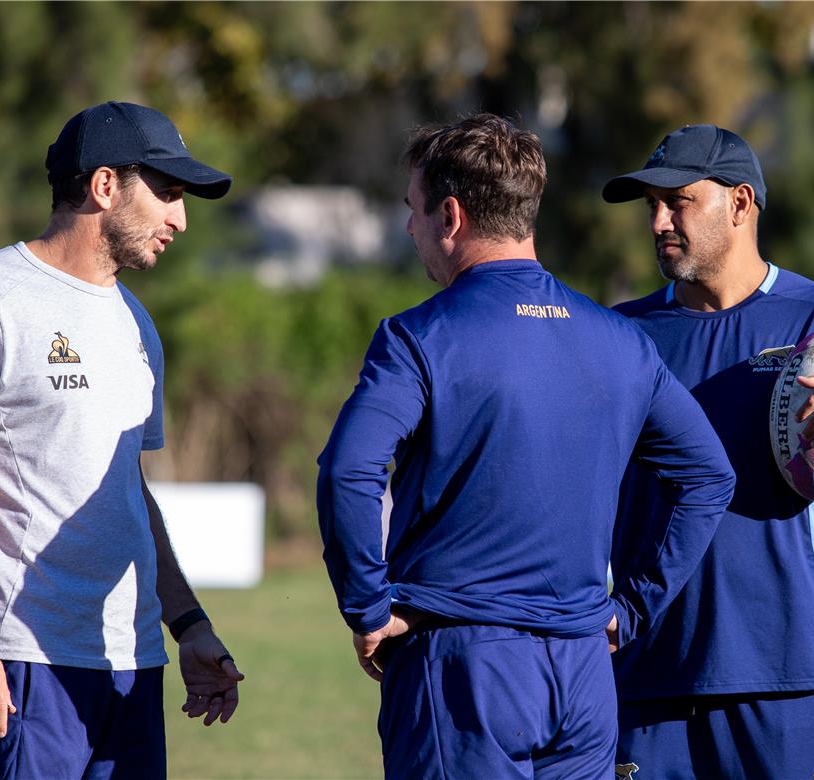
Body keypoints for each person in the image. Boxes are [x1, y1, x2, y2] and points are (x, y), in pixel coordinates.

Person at [316, 113, 737, 779]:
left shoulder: (418, 336)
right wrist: (629, 610)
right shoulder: (621, 341)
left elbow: (348, 471)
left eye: (413, 210)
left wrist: (366, 607)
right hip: (585, 678)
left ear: (449, 215)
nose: (409, 229)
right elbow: (710, 476)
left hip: (462, 669)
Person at [0, 101, 246, 779]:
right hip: (25, 666)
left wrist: (189, 625)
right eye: (169, 193)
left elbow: (128, 492)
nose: (180, 217)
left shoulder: (137, 323)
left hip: (134, 664)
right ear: (105, 185)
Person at [601, 124, 814, 779]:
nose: (659, 222)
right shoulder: (622, 336)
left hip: (789, 679)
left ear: (740, 204)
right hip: (649, 683)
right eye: (652, 206)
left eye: (680, 201)